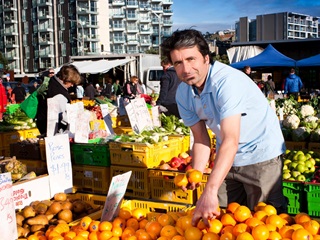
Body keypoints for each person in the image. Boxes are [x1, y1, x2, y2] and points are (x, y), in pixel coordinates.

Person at [161, 29, 287, 227]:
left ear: (205, 58)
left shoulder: (226, 82)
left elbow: (231, 139)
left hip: (261, 156)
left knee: (264, 223)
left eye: (191, 59)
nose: (185, 69)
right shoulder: (183, 93)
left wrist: (210, 189)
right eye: (178, 62)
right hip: (227, 157)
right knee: (219, 220)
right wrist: (196, 172)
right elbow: (201, 139)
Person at [35, 64, 81, 137]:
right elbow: (62, 117)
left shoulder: (51, 82)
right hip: (53, 131)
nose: (72, 85)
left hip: (43, 124)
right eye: (72, 82)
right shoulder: (58, 93)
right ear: (66, 79)